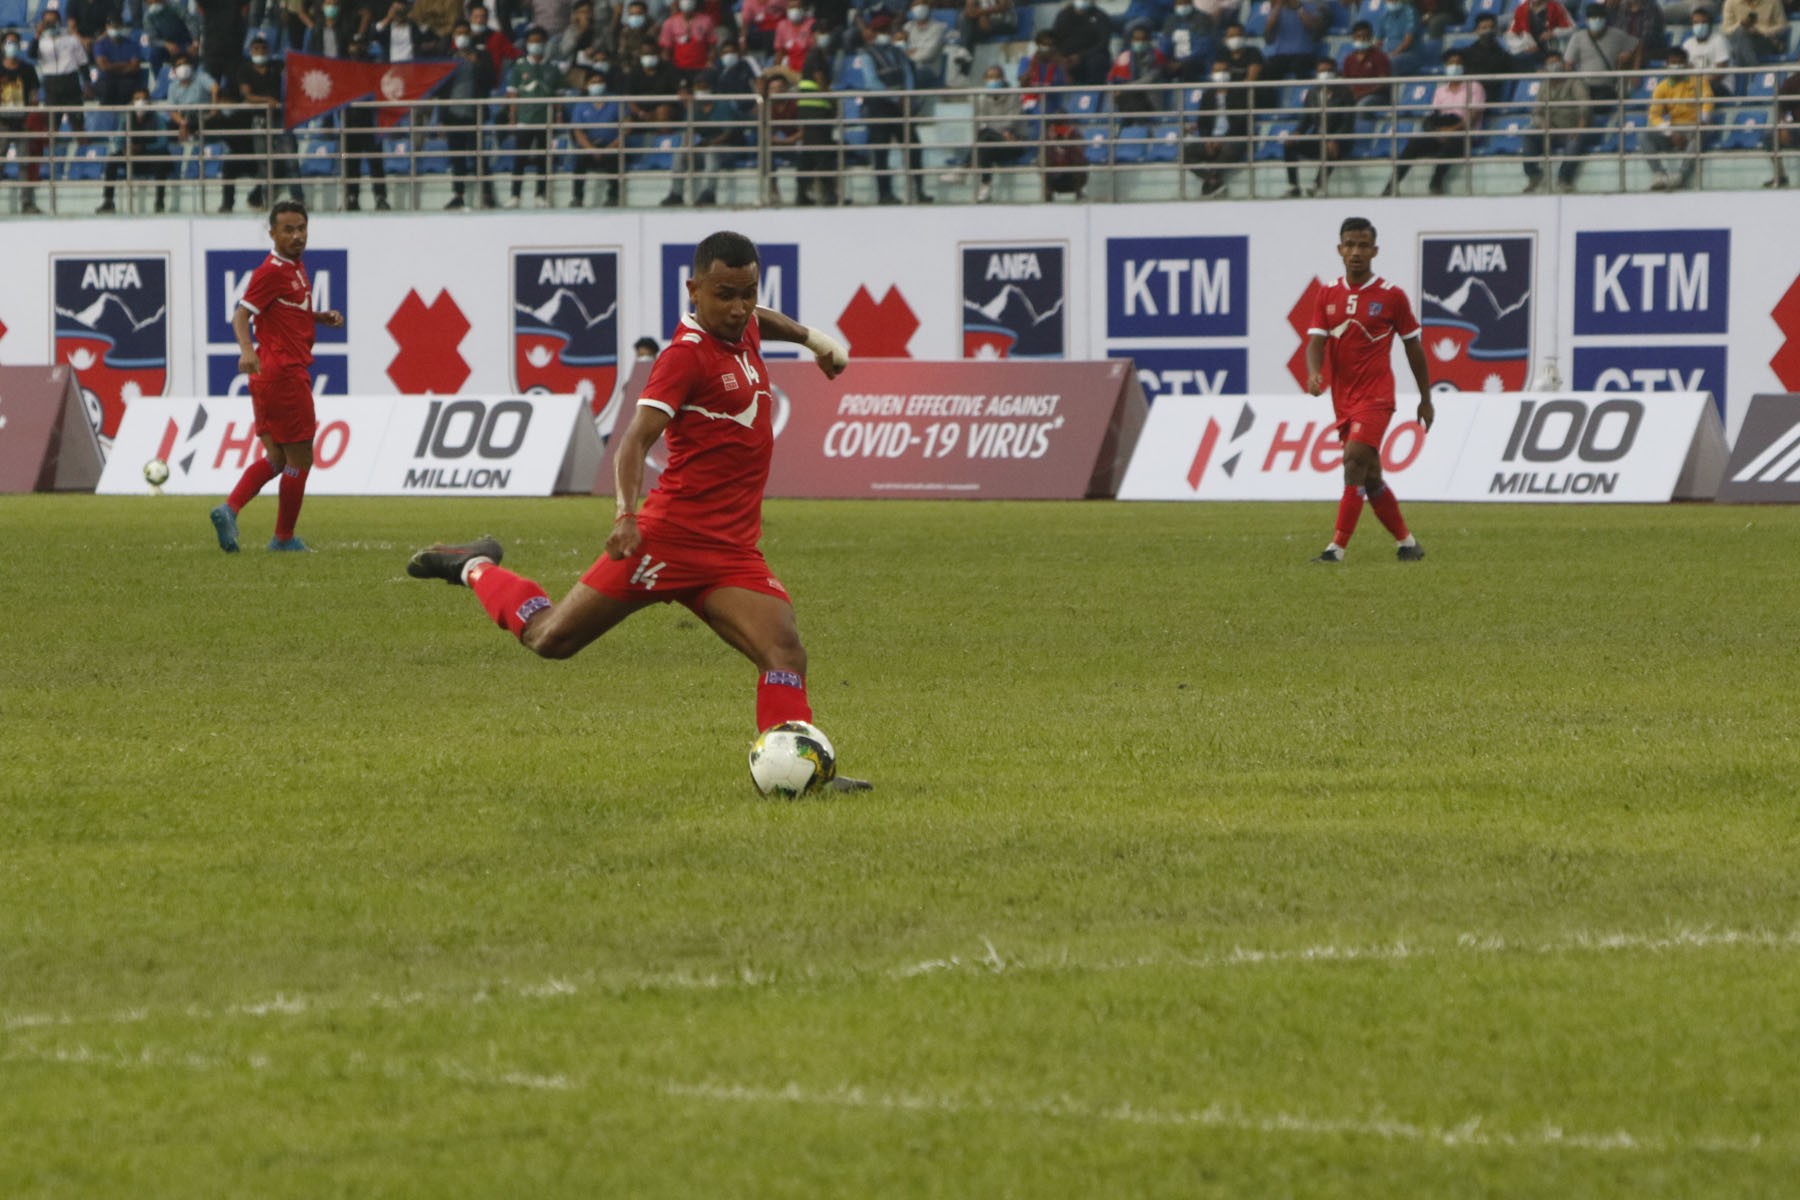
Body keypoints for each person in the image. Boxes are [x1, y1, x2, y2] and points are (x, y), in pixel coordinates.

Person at [405, 231, 872, 791]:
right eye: (726, 294)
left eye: (749, 292)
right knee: (551, 639)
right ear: (693, 289)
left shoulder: (742, 325)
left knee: (784, 650)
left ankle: (802, 772)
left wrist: (813, 340)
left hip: (730, 553)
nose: (740, 307)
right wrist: (625, 516)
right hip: (665, 540)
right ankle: (474, 565)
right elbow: (633, 442)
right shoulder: (684, 358)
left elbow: (761, 319)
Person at [210, 200, 346, 555]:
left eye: (301, 228)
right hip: (284, 373)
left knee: (276, 458)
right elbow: (241, 315)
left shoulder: (295, 267)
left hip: (267, 376)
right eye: (288, 229)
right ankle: (283, 538)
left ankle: (229, 508)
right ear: (272, 233)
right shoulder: (271, 270)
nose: (297, 235)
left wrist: (319, 317)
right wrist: (246, 350)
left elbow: (286, 309)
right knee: (300, 459)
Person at [1304, 217, 1432, 566]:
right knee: (1371, 475)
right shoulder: (1327, 293)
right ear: (1339, 250)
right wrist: (1315, 373)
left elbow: (1413, 347)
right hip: (1343, 399)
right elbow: (1315, 341)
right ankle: (1407, 543)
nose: (1356, 252)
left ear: (1375, 250)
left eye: (1363, 245)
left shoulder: (1391, 296)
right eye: (1350, 245)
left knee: (1354, 460)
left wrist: (1426, 397)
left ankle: (1336, 549)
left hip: (1377, 396)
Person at [1383, 47, 1485, 196]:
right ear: (1445, 67)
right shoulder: (1440, 91)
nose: (1454, 66)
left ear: (1464, 66)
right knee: (1414, 143)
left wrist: (1452, 130)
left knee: (1453, 142)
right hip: (1442, 131)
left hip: (1465, 133)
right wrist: (1437, 131)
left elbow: (1474, 115)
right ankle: (1391, 185)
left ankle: (1435, 183)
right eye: (1451, 63)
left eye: (1458, 63)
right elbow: (1434, 115)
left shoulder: (1475, 86)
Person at [504, 26, 566, 207]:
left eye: (539, 41)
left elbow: (558, 96)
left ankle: (541, 194)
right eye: (532, 41)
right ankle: (515, 195)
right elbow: (513, 94)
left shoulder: (552, 68)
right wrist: (512, 118)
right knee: (520, 159)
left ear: (545, 43)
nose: (535, 44)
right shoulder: (519, 66)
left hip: (545, 121)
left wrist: (558, 116)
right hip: (525, 120)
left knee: (543, 160)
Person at [1641, 45, 1712, 191]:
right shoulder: (1662, 87)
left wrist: (1703, 120)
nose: (1676, 66)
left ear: (1686, 64)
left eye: (1679, 63)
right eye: (1672, 63)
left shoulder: (1699, 80)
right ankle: (1659, 175)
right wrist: (1670, 133)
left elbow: (1708, 100)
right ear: (1666, 65)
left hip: (1695, 125)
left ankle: (1681, 176)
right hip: (1673, 129)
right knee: (1644, 136)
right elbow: (1654, 115)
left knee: (1699, 134)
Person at [1282, 55, 1354, 196]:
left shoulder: (1345, 93)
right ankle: (1293, 186)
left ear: (1335, 72)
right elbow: (1306, 119)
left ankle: (1317, 185)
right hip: (1317, 137)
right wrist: (1297, 132)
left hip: (1340, 139)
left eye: (1328, 70)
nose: (1325, 74)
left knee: (1332, 149)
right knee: (1289, 145)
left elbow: (1348, 122)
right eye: (1321, 71)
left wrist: (1335, 139)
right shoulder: (1313, 93)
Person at [1520, 48, 1588, 192]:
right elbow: (1536, 112)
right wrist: (1542, 124)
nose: (1554, 66)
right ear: (1545, 68)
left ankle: (1564, 179)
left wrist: (1580, 127)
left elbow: (1585, 105)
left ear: (1563, 64)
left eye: (1556, 62)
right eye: (1550, 64)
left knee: (1575, 142)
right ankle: (1534, 175)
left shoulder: (1574, 82)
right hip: (1549, 131)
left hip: (1571, 129)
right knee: (1529, 134)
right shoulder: (1544, 85)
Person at [1181, 54, 1250, 196]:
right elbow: (1203, 122)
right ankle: (1212, 180)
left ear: (1230, 73)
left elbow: (1240, 123)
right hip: (1212, 139)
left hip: (1232, 139)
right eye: (1217, 71)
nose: (1221, 74)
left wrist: (1223, 139)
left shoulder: (1239, 93)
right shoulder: (1208, 96)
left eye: (1224, 70)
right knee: (1185, 152)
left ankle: (1211, 183)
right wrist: (1208, 140)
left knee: (1231, 149)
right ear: (1212, 74)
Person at [1, 31, 44, 214]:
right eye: (9, 42)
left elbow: (34, 96)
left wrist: (31, 117)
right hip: (1, 122)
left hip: (22, 121)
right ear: (2, 45)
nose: (13, 46)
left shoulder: (27, 69)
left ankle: (27, 203)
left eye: (15, 42)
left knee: (25, 163)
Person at [971, 63, 1025, 202]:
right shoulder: (983, 98)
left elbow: (1012, 121)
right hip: (997, 141)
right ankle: (985, 188)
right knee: (984, 142)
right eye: (988, 78)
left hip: (1015, 142)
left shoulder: (1013, 96)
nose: (992, 81)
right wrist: (999, 131)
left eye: (995, 77)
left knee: (985, 137)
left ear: (1002, 78)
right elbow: (980, 123)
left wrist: (992, 127)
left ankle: (965, 169)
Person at [569, 67, 624, 205]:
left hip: (612, 145)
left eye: (600, 82)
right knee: (579, 161)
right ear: (587, 86)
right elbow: (578, 132)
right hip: (590, 146)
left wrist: (610, 147)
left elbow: (626, 127)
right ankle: (577, 197)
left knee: (614, 159)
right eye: (594, 82)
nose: (597, 85)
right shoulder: (581, 105)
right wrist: (592, 149)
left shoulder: (615, 101)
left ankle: (613, 197)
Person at [1562, 4, 1636, 103]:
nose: (1596, 20)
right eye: (1593, 17)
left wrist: (1629, 56)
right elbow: (1568, 63)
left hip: (1607, 87)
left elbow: (1636, 45)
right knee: (1581, 102)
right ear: (1587, 20)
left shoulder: (1618, 35)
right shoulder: (1577, 37)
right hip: (1584, 86)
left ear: (1605, 19)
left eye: (1600, 17)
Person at [1049, 0, 1114, 85]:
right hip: (1065, 57)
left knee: (1098, 61)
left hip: (1090, 56)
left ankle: (1094, 93)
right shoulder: (1063, 15)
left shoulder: (1101, 16)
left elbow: (1103, 43)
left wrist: (1081, 56)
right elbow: (1054, 38)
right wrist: (1060, 57)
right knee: (1047, 59)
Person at [1262, 0, 1326, 83]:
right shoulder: (1277, 11)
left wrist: (1298, 7)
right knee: (1269, 68)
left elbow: (1312, 25)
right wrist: (1278, 5)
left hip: (1304, 54)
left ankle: (1305, 90)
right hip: (1282, 55)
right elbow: (1269, 26)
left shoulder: (1309, 7)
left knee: (1298, 66)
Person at [1341, 20, 1392, 107]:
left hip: (1377, 96)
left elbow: (1383, 83)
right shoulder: (1349, 59)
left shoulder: (1379, 56)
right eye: (1359, 36)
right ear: (1353, 38)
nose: (1362, 39)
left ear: (1371, 37)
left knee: (1362, 105)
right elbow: (1345, 82)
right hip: (1354, 96)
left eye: (1366, 36)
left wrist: (1362, 94)